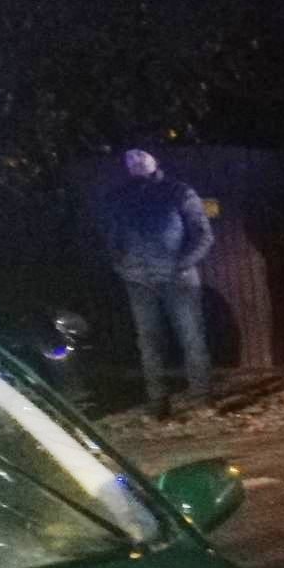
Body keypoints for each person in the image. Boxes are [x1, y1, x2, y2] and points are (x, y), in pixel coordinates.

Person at [104, 148, 214, 418]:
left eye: (141, 154)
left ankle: (202, 399)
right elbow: (112, 237)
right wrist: (122, 266)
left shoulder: (178, 192)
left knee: (192, 338)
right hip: (139, 281)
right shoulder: (119, 198)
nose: (135, 160)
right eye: (130, 157)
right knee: (149, 343)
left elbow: (203, 235)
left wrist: (181, 265)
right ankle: (158, 404)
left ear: (155, 158)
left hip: (179, 280)